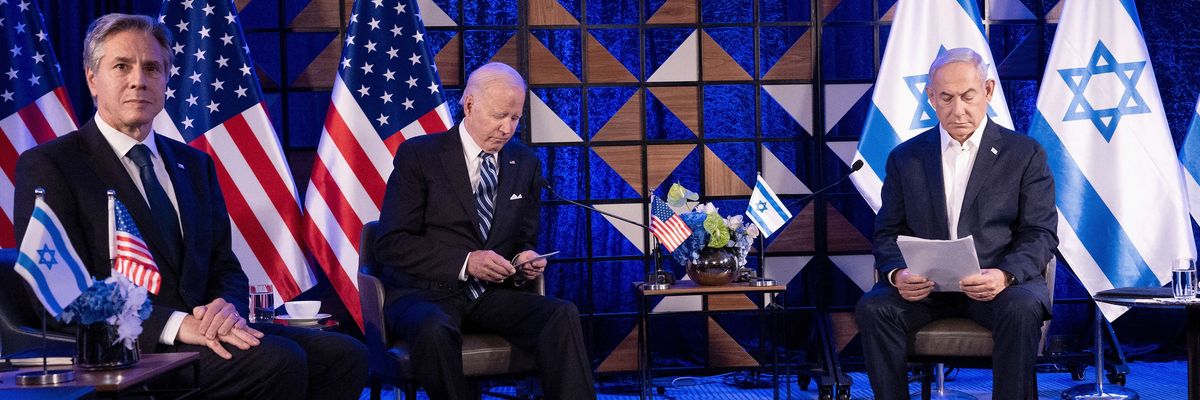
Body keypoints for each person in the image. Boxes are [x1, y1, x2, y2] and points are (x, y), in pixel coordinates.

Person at [12, 13, 366, 399]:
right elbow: (62, 291)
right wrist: (178, 325)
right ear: (92, 79)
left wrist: (226, 308)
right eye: (121, 66)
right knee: (278, 361)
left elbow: (224, 265)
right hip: (126, 345)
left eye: (152, 68)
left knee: (343, 354)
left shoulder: (194, 165)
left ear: (166, 81)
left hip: (207, 329)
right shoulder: (52, 164)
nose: (138, 80)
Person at [373, 62, 596, 399]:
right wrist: (466, 261)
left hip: (490, 295)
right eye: (499, 116)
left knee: (560, 314)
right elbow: (391, 244)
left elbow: (523, 237)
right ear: (470, 104)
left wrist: (525, 258)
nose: (507, 128)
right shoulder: (420, 156)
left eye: (516, 118)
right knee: (435, 329)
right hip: (424, 293)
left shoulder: (525, 163)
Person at [854, 48, 1058, 400]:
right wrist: (897, 275)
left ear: (988, 91)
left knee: (1021, 308)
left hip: (999, 286)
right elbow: (886, 234)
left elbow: (1040, 234)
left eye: (968, 96)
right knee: (874, 308)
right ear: (931, 97)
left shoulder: (1025, 154)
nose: (958, 109)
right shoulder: (906, 158)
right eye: (946, 98)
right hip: (927, 291)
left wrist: (1004, 275)